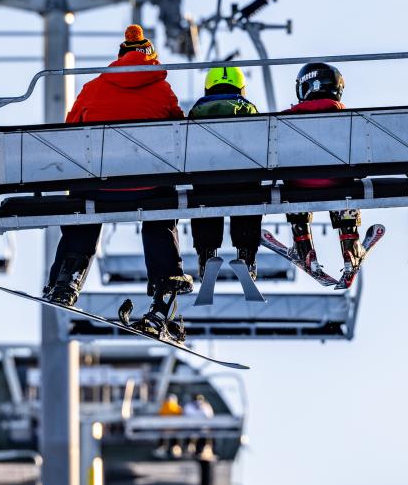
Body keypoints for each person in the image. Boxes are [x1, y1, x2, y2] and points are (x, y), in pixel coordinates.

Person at [42, 25, 192, 339]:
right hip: (149, 187)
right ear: (151, 59)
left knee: (83, 209)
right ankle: (164, 294)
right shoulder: (162, 90)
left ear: (120, 57)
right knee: (160, 217)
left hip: (99, 185)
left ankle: (66, 280)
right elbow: (180, 134)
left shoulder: (93, 87)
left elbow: (70, 133)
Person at [281, 62, 365, 278]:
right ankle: (350, 248)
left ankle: (304, 248)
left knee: (292, 191)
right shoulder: (349, 119)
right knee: (348, 190)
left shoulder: (285, 120)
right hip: (338, 183)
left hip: (299, 186)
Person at [187, 66, 262, 281]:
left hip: (207, 184)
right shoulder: (249, 110)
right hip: (244, 183)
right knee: (249, 194)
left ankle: (206, 251)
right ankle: (246, 252)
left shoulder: (196, 113)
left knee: (202, 198)